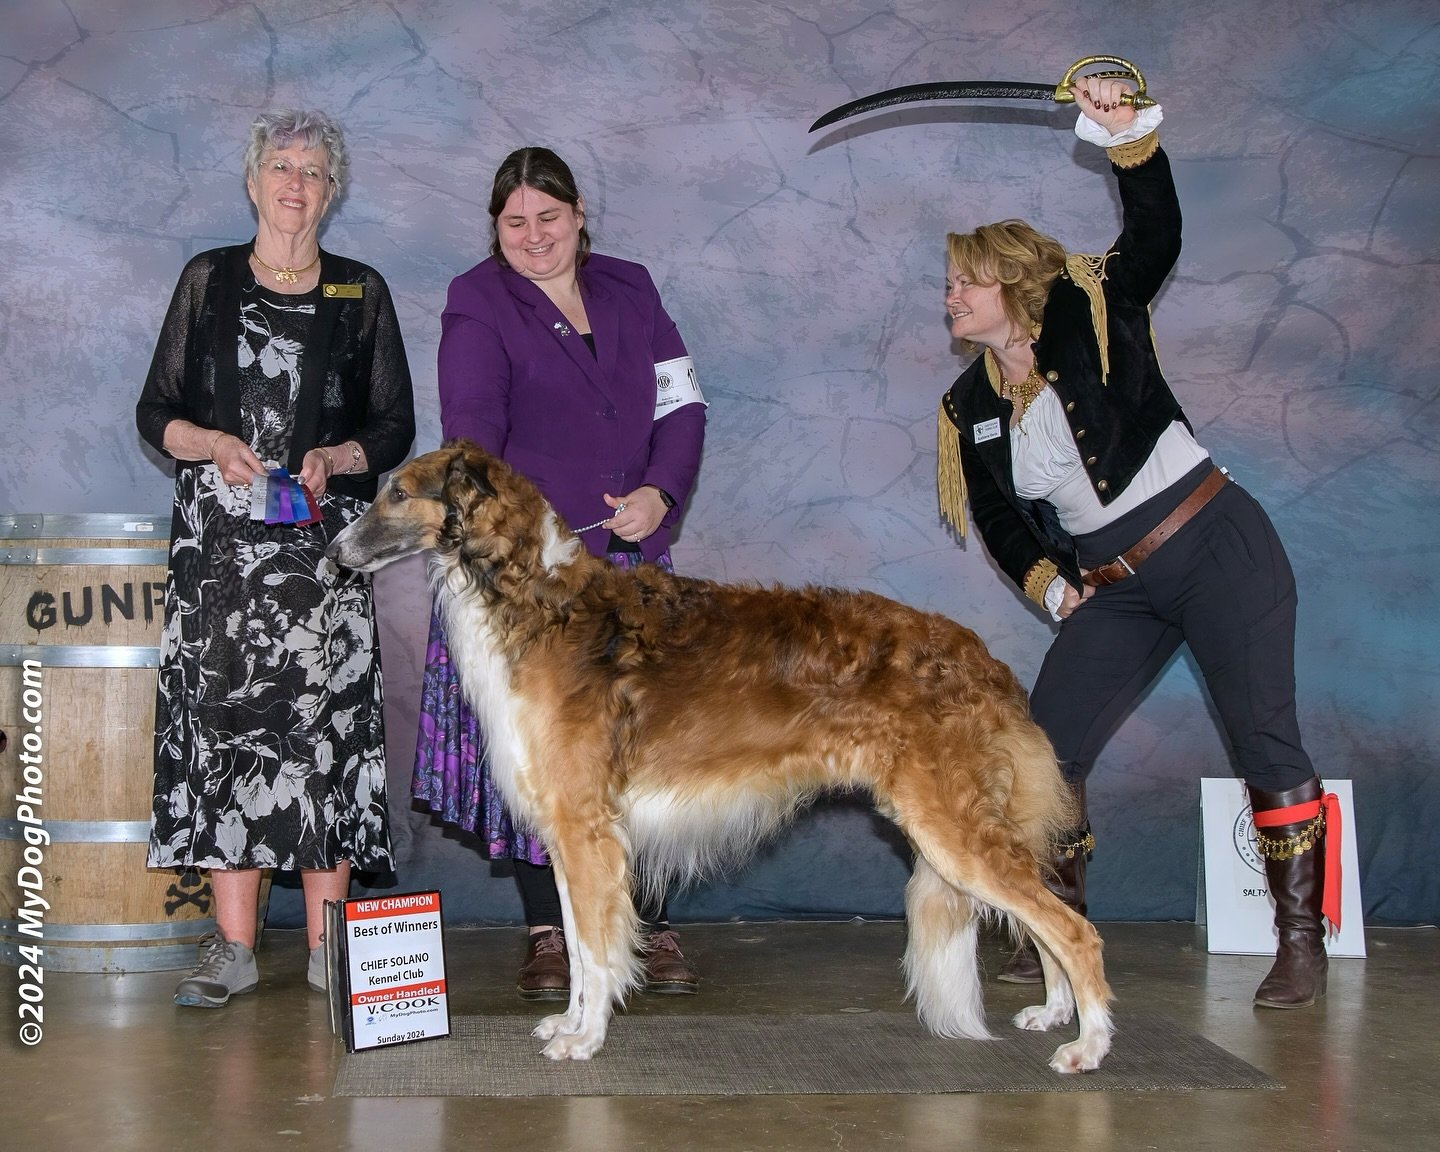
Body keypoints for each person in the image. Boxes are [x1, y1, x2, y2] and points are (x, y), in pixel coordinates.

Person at [937, 76, 1337, 1007]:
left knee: (1264, 738)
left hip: (1215, 544)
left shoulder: (1090, 302)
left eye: (965, 279)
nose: (950, 294)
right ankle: (1058, 930)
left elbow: (1155, 233)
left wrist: (1127, 138)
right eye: (948, 283)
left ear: (1011, 278)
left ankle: (1300, 943)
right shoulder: (967, 408)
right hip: (1112, 586)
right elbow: (1002, 522)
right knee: (1046, 754)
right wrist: (1051, 588)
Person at [136, 109, 416, 1008]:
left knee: (323, 735)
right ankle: (233, 948)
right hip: (219, 558)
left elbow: (395, 427)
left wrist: (337, 458)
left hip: (322, 556)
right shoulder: (207, 280)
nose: (295, 184)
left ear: (332, 194)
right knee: (226, 732)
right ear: (253, 182)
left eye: (313, 172)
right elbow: (155, 415)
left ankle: (334, 948)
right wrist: (210, 440)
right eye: (281, 166)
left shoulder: (360, 292)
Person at [414, 146, 707, 999]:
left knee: (646, 750)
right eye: (516, 223)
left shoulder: (632, 286)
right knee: (546, 758)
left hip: (636, 563)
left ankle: (648, 927)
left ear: (580, 216)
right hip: (532, 581)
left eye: (550, 218)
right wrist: (523, 546)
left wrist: (661, 492)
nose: (534, 236)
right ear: (496, 228)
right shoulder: (477, 301)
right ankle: (552, 929)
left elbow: (681, 403)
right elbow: (473, 440)